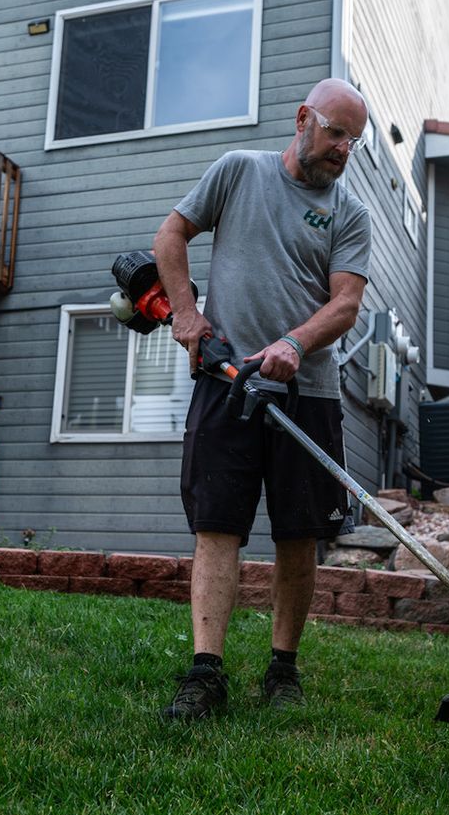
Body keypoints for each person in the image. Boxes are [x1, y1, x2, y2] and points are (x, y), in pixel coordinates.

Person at [150, 78, 373, 721]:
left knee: (299, 533)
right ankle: (205, 673)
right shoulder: (237, 172)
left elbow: (346, 303)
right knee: (217, 524)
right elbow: (171, 237)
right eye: (335, 132)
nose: (344, 149)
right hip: (228, 383)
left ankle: (282, 670)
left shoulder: (349, 212)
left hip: (306, 392)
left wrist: (294, 346)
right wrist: (188, 316)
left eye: (353, 140)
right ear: (304, 118)